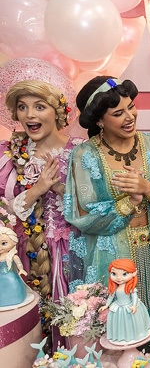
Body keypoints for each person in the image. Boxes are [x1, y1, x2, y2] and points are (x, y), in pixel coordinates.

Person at [64, 76, 150, 349]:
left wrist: (148, 188)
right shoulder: (84, 155)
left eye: (131, 107)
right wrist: (129, 202)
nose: (130, 116)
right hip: (110, 263)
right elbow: (83, 215)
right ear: (99, 120)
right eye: (118, 113)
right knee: (117, 338)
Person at [0, 80, 84, 307]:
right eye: (22, 107)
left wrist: (61, 190)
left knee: (77, 316)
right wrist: (38, 189)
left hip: (74, 254)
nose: (29, 114)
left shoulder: (81, 151)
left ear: (57, 112)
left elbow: (96, 208)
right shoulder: (7, 153)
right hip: (26, 256)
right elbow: (3, 212)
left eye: (39, 106)